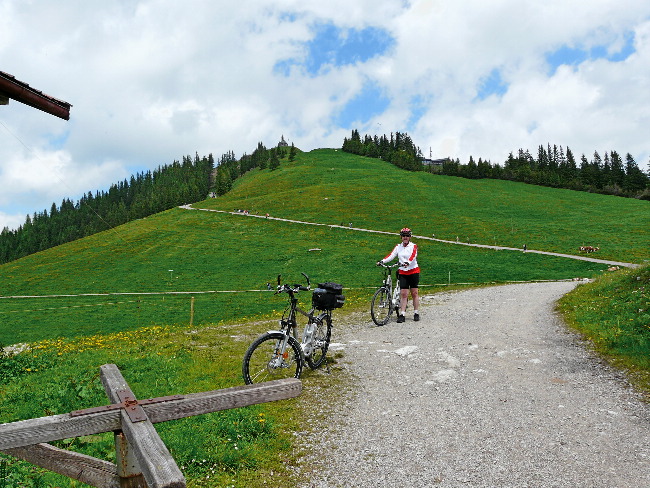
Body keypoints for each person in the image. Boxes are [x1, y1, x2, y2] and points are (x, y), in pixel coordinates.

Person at [377, 227, 420, 323]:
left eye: (407, 236)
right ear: (401, 237)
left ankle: (416, 312)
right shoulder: (398, 247)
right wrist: (382, 261)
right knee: (404, 294)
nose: (405, 237)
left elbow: (413, 256)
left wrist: (408, 262)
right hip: (403, 272)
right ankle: (402, 314)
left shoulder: (414, 246)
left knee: (414, 293)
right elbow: (391, 255)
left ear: (410, 237)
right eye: (403, 236)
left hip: (413, 271)